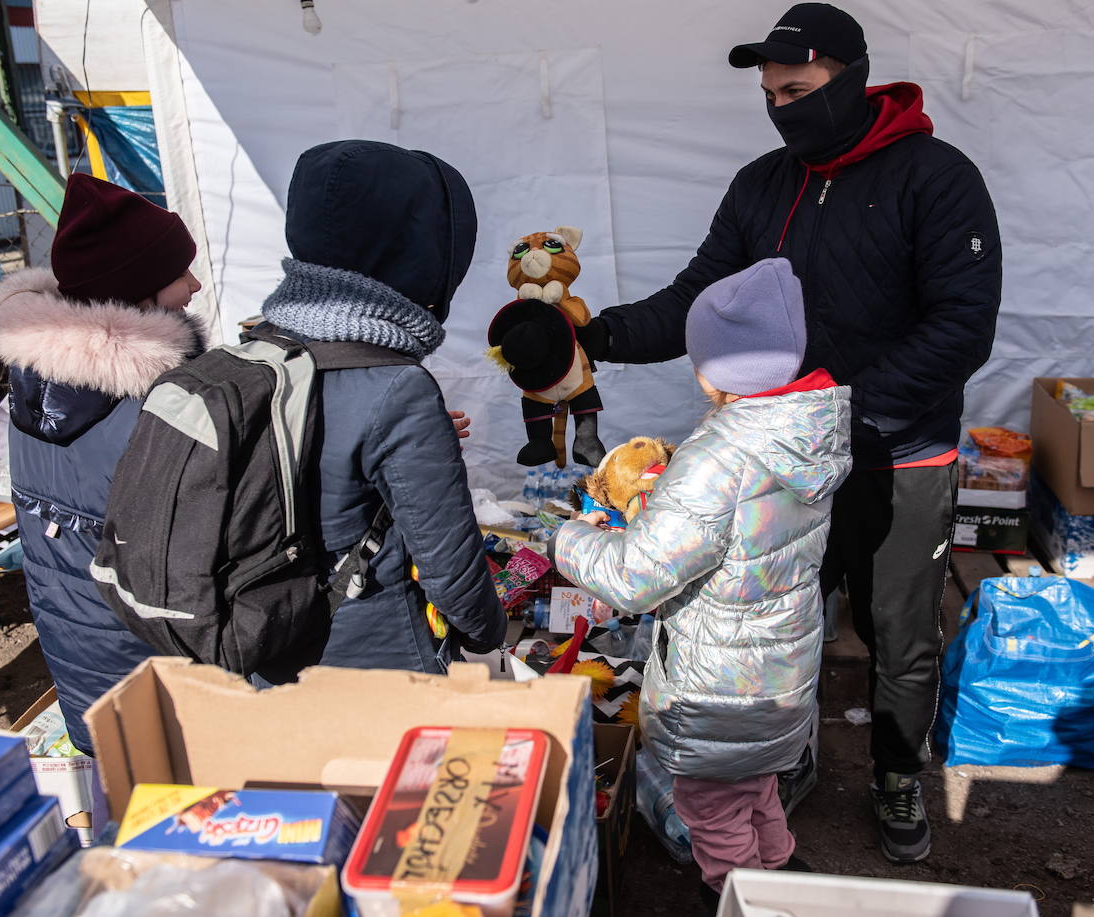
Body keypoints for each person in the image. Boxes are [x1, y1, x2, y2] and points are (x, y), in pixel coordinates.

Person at [572, 3, 1002, 863]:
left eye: (798, 89)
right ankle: (774, 762)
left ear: (853, 77)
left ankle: (893, 770)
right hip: (780, 461)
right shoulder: (763, 183)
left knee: (899, 632)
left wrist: (846, 414)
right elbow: (701, 298)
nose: (781, 108)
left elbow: (962, 326)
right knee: (783, 622)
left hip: (899, 450)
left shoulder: (935, 176)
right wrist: (597, 337)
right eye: (769, 95)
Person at [551, 258, 851, 909]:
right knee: (758, 792)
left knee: (713, 815)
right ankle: (782, 875)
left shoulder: (719, 460)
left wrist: (567, 537)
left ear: (720, 370)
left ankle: (747, 897)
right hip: (778, 676)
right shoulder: (807, 430)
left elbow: (636, 576)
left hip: (718, 688)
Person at [251, 140, 506, 683]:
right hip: (374, 661)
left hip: (263, 646)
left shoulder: (259, 351)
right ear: (416, 250)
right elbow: (453, 573)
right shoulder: (396, 386)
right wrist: (490, 638)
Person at [0, 174, 206, 753]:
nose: (196, 284)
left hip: (82, 665)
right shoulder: (155, 409)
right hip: (156, 677)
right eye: (179, 274)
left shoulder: (30, 380)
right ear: (135, 293)